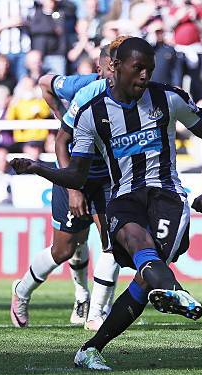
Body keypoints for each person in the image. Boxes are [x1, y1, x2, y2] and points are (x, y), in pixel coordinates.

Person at [10, 37, 202, 370]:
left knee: (146, 273)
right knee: (128, 249)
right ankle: (169, 291)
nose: (143, 76)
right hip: (121, 196)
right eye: (138, 68)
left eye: (149, 70)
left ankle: (93, 345)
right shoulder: (92, 111)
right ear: (115, 67)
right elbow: (76, 173)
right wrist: (39, 168)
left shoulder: (168, 99)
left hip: (166, 196)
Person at [10, 40, 125, 331]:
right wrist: (64, 119)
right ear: (102, 67)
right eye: (114, 67)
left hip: (108, 180)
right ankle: (21, 292)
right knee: (63, 250)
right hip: (74, 175)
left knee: (113, 244)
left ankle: (96, 313)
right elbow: (46, 83)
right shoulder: (83, 89)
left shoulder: (136, 93)